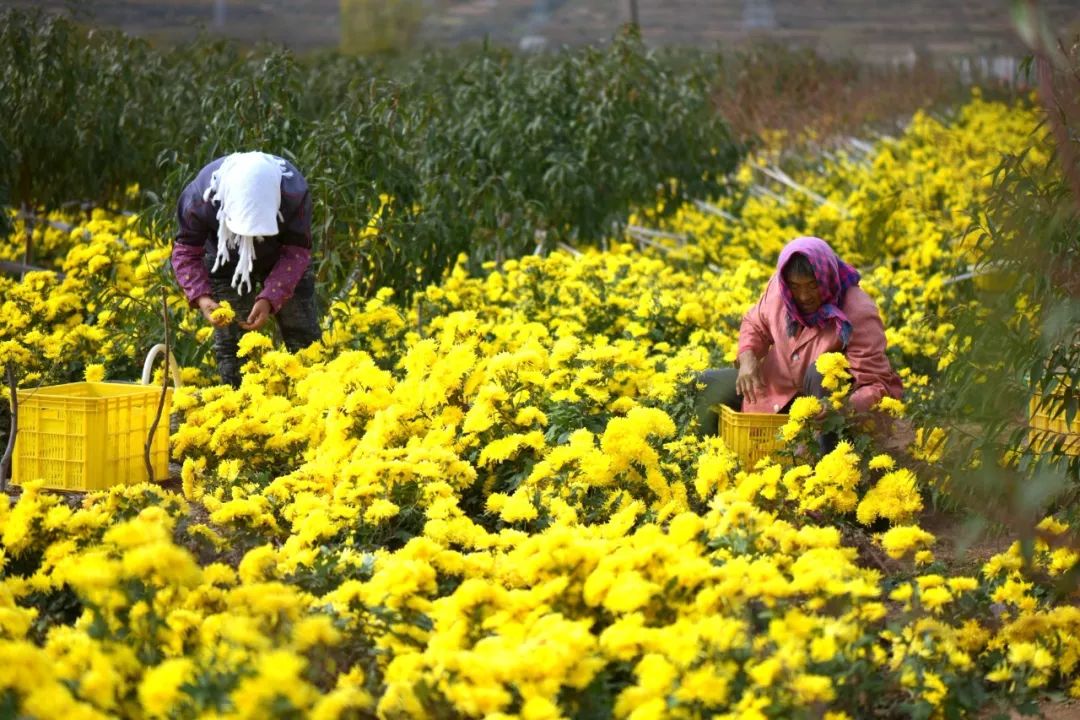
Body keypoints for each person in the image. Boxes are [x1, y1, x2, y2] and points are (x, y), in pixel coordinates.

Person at [695, 236, 902, 442]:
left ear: (826, 277)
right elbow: (755, 323)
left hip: (822, 409)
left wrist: (840, 409)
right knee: (704, 384)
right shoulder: (779, 288)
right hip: (773, 387)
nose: (803, 296)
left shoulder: (857, 311)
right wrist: (747, 355)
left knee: (820, 372)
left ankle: (825, 464)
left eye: (812, 286)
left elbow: (875, 384)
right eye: (795, 286)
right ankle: (710, 454)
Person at [171, 151, 320, 387]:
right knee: (234, 346)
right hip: (223, 258)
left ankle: (314, 403)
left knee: (304, 340)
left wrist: (271, 297)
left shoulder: (294, 193)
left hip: (282, 256)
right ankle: (239, 412)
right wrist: (202, 297)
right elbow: (185, 250)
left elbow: (296, 250)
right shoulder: (201, 198)